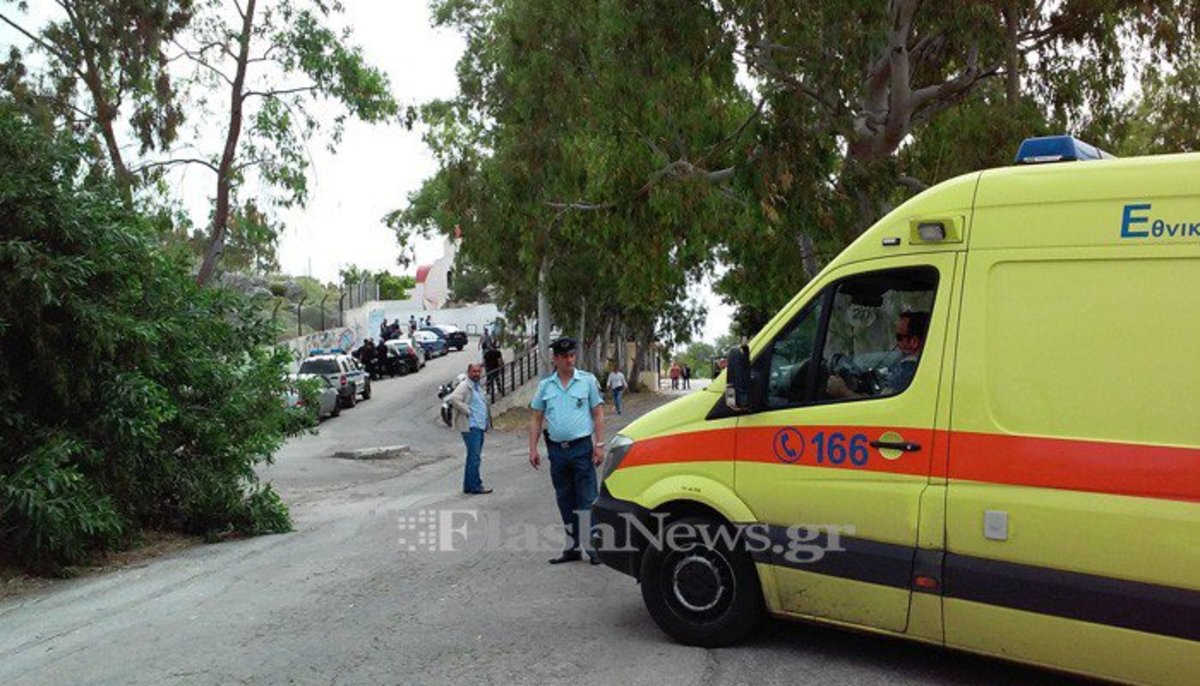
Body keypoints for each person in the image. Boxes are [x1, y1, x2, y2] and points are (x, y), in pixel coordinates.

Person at [529, 337, 604, 565]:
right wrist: (533, 448)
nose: (569, 359)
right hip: (557, 452)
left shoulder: (587, 381)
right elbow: (536, 418)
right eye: (564, 356)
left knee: (587, 498)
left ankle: (592, 548)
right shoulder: (545, 386)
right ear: (555, 359)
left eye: (572, 355)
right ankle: (572, 548)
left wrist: (599, 444)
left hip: (582, 448)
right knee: (565, 499)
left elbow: (598, 413)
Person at [826, 311, 930, 399]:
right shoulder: (931, 365)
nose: (897, 343)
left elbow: (878, 410)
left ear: (914, 341)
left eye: (899, 337)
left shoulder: (906, 371)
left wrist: (843, 391)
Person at [448, 363, 493, 495]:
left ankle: (469, 485)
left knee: (473, 457)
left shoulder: (476, 386)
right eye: (474, 371)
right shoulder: (464, 386)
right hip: (471, 426)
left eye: (478, 371)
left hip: (479, 425)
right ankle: (475, 486)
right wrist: (468, 411)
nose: (476, 374)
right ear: (468, 372)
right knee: (474, 457)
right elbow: (454, 399)